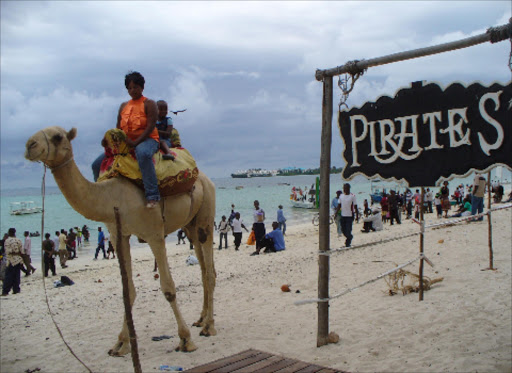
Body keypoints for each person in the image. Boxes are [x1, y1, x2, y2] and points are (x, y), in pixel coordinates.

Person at [92, 71, 161, 208]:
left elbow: (150, 127)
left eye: (135, 87)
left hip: (148, 140)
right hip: (127, 143)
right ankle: (100, 193)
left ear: (142, 87)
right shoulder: (123, 106)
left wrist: (136, 143)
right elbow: (118, 129)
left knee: (143, 154)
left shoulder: (149, 104)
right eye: (129, 88)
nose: (132, 91)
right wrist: (108, 141)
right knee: (97, 164)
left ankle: (152, 195)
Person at [335, 183, 359, 248]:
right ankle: (350, 237)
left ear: (349, 188)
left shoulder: (352, 196)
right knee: (343, 230)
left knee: (348, 230)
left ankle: (347, 243)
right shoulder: (341, 196)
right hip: (343, 215)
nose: (344, 189)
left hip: (350, 216)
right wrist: (336, 213)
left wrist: (357, 216)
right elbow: (339, 205)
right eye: (344, 188)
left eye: (346, 188)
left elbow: (355, 206)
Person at [2, 228, 23, 296]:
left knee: (8, 276)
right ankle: (16, 289)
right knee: (16, 276)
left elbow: (7, 251)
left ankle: (5, 291)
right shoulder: (18, 240)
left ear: (9, 233)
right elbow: (22, 251)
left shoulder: (7, 241)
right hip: (19, 259)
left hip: (11, 260)